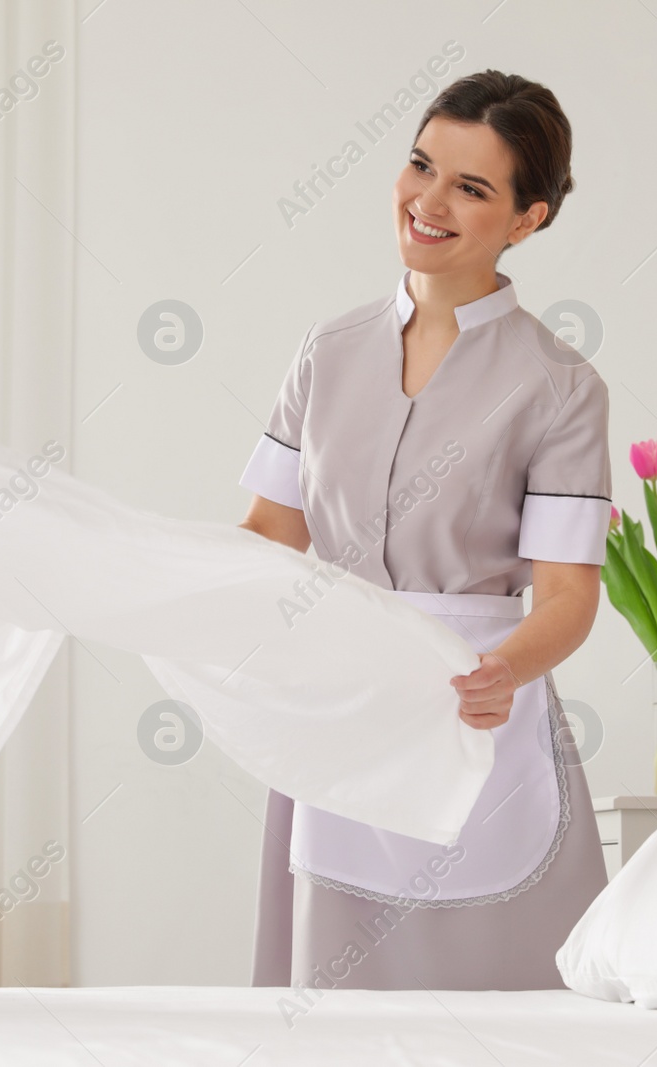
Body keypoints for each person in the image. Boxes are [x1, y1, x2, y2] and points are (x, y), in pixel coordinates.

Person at [236, 69, 611, 991]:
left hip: (480, 712)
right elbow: (269, 532)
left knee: (506, 1013)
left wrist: (508, 672)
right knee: (335, 1008)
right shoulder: (325, 354)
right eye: (420, 165)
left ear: (528, 219)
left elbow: (569, 593)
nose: (428, 201)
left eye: (471, 187)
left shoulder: (561, 387)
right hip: (343, 705)